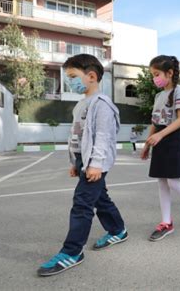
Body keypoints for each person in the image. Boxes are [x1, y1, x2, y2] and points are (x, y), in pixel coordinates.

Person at [37, 54, 127, 277]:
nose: (69, 82)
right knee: (100, 198)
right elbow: (76, 137)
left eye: (72, 77)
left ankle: (72, 252)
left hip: (95, 162)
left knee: (82, 203)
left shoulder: (102, 104)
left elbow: (103, 137)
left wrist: (95, 165)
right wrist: (75, 162)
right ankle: (118, 230)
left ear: (92, 76)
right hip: (83, 161)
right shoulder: (81, 104)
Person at [141, 55, 180, 241]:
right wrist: (147, 144)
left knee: (173, 181)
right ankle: (166, 222)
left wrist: (161, 135)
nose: (154, 78)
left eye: (157, 74)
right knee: (161, 181)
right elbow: (154, 122)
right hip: (160, 139)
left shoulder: (179, 92)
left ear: (169, 73)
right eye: (153, 75)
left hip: (174, 138)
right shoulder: (158, 96)